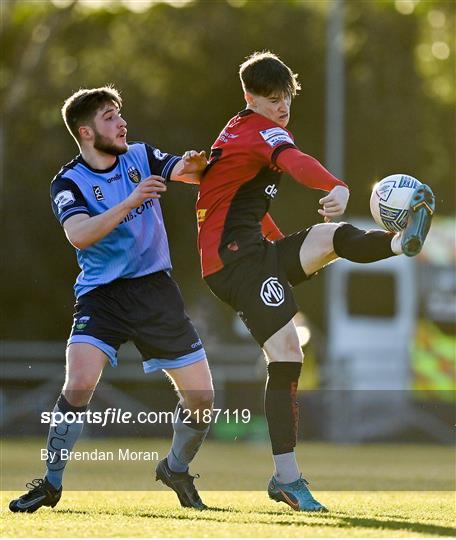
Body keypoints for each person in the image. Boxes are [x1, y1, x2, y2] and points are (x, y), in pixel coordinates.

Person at [196, 51, 435, 512]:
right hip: (233, 263)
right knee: (287, 352)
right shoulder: (258, 131)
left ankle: (399, 242)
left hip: (253, 254)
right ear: (250, 98)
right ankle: (286, 479)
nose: (282, 105)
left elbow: (237, 203)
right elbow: (294, 159)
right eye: (271, 98)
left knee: (328, 236)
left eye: (286, 95)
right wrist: (336, 185)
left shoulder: (243, 130)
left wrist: (281, 249)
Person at [9, 86, 213, 513]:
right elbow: (79, 233)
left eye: (119, 114)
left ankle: (175, 467)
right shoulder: (69, 182)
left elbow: (187, 173)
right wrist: (133, 201)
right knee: (80, 383)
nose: (121, 122)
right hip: (103, 295)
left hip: (155, 291)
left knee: (202, 397)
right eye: (108, 116)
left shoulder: (140, 155)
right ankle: (50, 482)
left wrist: (198, 165)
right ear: (85, 132)